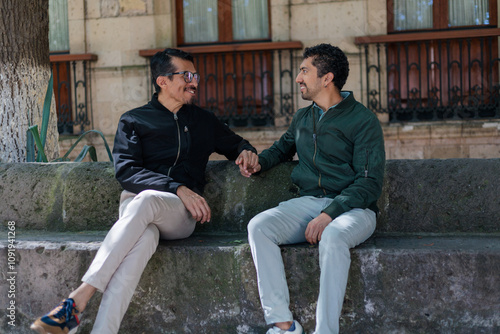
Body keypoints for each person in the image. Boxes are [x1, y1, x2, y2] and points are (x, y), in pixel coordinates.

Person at [30, 48, 259, 334]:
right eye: (186, 75)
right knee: (133, 260)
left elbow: (236, 143)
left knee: (148, 200)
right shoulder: (134, 120)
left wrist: (247, 153)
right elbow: (125, 171)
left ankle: (78, 299)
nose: (194, 82)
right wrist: (177, 187)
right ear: (162, 81)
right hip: (136, 209)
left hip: (179, 215)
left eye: (195, 75)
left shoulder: (203, 121)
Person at [246, 44, 386, 334]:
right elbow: (281, 149)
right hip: (309, 203)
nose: (298, 78)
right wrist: (258, 163)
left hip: (354, 210)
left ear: (327, 78)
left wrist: (330, 214)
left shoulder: (363, 121)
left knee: (333, 236)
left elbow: (369, 182)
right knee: (259, 226)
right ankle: (283, 325)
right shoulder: (302, 117)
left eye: (305, 71)